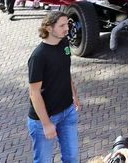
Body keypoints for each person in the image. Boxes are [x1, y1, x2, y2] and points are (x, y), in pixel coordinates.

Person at [28, 11, 81, 163]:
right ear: (49, 28)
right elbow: (34, 93)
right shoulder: (38, 57)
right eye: (62, 26)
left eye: (67, 24)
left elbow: (65, 71)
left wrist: (73, 94)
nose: (67, 29)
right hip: (45, 118)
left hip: (67, 112)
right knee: (43, 161)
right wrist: (46, 124)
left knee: (72, 157)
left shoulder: (64, 43)